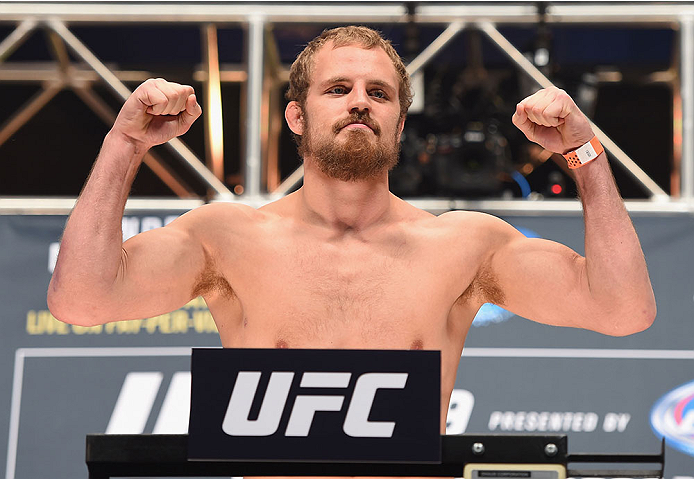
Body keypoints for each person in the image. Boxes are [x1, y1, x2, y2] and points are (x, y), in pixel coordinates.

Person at [47, 26, 656, 433]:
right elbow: (81, 297)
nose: (359, 102)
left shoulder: (465, 246)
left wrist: (585, 152)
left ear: (399, 120)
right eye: (337, 89)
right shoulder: (227, 239)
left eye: (379, 93)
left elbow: (623, 308)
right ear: (296, 114)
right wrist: (125, 143)